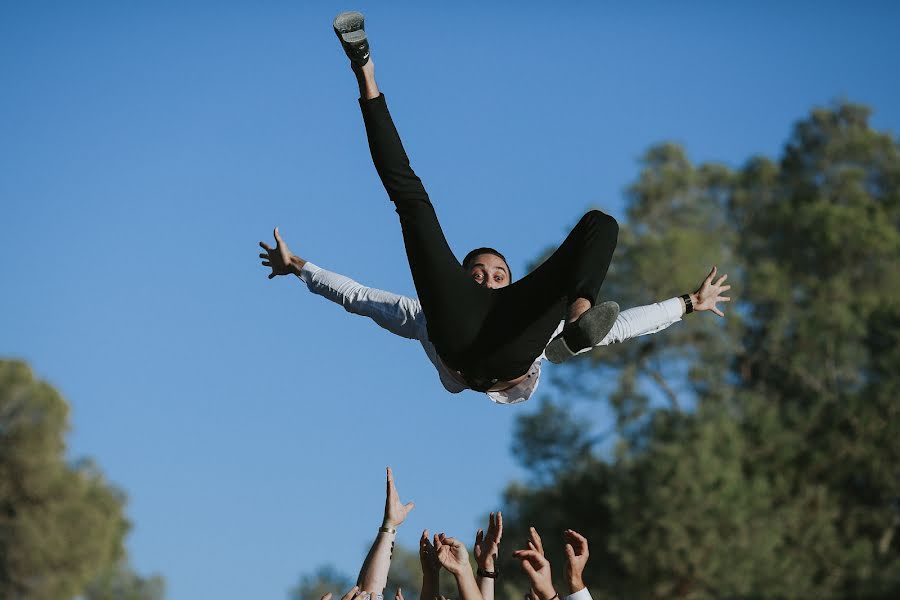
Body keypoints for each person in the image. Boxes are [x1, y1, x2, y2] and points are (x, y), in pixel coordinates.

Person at [258, 12, 731, 404]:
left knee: (600, 225)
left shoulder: (514, 321)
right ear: (460, 277)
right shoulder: (426, 312)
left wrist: (689, 303)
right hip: (461, 331)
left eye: (497, 274)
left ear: (510, 280)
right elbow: (357, 297)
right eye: (479, 273)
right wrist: (688, 303)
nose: (488, 277)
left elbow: (620, 326)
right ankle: (366, 74)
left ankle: (579, 313)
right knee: (413, 204)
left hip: (511, 340)